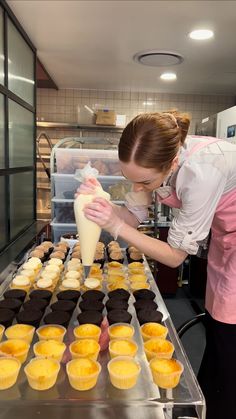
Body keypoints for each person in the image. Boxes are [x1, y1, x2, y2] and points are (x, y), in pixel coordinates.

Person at [79, 111, 236, 419]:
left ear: (172, 164)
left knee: (230, 337)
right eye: (131, 178)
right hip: (226, 239)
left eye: (146, 181)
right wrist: (101, 202)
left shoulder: (201, 172)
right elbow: (133, 216)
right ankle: (210, 401)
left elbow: (175, 257)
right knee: (218, 326)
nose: (139, 187)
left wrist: (117, 227)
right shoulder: (156, 159)